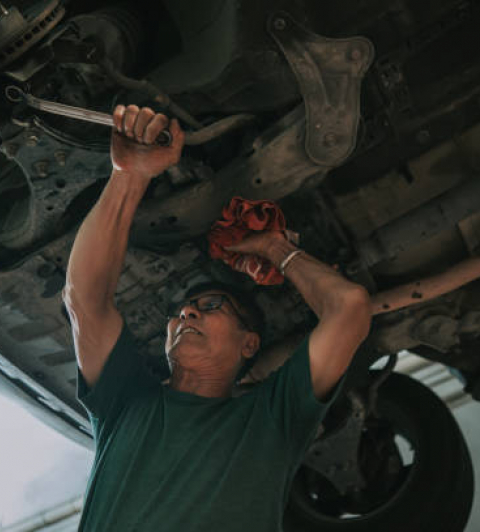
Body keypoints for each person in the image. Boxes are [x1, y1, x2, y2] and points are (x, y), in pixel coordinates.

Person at [62, 104, 373, 532]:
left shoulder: (271, 418)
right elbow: (85, 299)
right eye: (183, 312)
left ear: (250, 345)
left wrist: (275, 250)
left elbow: (350, 308)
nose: (185, 312)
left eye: (211, 308)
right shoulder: (125, 404)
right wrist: (129, 175)